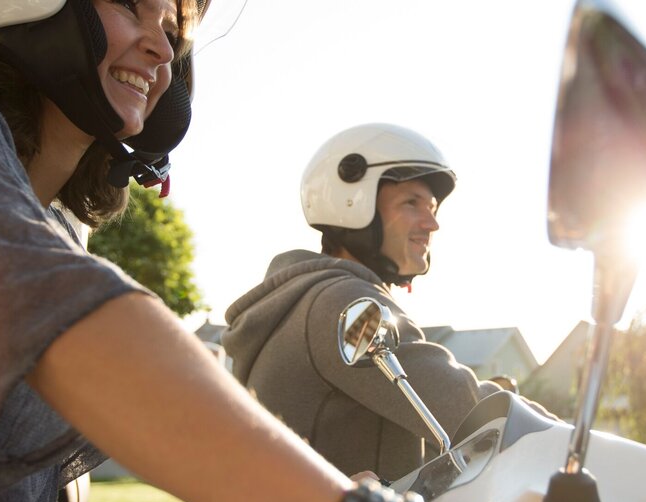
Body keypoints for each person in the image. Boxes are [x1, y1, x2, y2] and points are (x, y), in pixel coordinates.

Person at [0, 2, 537, 502]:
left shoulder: (61, 229)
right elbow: (68, 321)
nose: (163, 50)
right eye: (130, 6)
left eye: (173, 31)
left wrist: (325, 493)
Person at [222, 123, 531, 481]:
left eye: (432, 207)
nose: (432, 224)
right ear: (353, 203)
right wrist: (568, 438)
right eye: (412, 203)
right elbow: (465, 407)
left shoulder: (302, 299)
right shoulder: (341, 303)